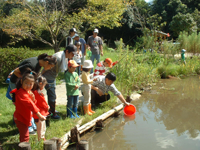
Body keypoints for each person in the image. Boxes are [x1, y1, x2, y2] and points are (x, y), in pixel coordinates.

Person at [42, 44, 77, 119]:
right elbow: (46, 67)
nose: (73, 55)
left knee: (52, 95)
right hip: (48, 77)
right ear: (67, 51)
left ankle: (52, 110)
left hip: (53, 77)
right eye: (72, 53)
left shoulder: (65, 57)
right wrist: (40, 76)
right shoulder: (58, 57)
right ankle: (52, 114)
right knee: (52, 96)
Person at [10, 70, 46, 142]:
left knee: (25, 135)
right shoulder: (21, 93)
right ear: (21, 82)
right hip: (21, 118)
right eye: (26, 83)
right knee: (25, 137)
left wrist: (33, 99)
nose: (28, 86)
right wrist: (39, 115)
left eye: (30, 84)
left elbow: (32, 103)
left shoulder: (27, 91)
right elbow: (30, 104)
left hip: (25, 117)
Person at [32, 76, 49, 141]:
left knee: (38, 126)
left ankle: (40, 137)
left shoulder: (33, 91)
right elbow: (42, 102)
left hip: (36, 113)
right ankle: (41, 138)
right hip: (40, 113)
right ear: (41, 84)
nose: (44, 86)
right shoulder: (38, 93)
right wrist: (47, 107)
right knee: (41, 126)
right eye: (44, 85)